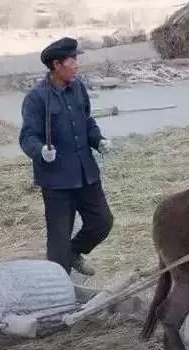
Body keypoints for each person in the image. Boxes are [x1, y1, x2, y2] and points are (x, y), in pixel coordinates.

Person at [19, 37, 113, 276]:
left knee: (102, 222)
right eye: (73, 60)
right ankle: (59, 291)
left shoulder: (78, 88)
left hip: (85, 173)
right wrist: (40, 151)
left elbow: (87, 120)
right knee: (58, 240)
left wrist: (98, 140)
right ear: (56, 64)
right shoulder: (36, 98)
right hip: (56, 181)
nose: (77, 65)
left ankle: (74, 252)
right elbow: (27, 137)